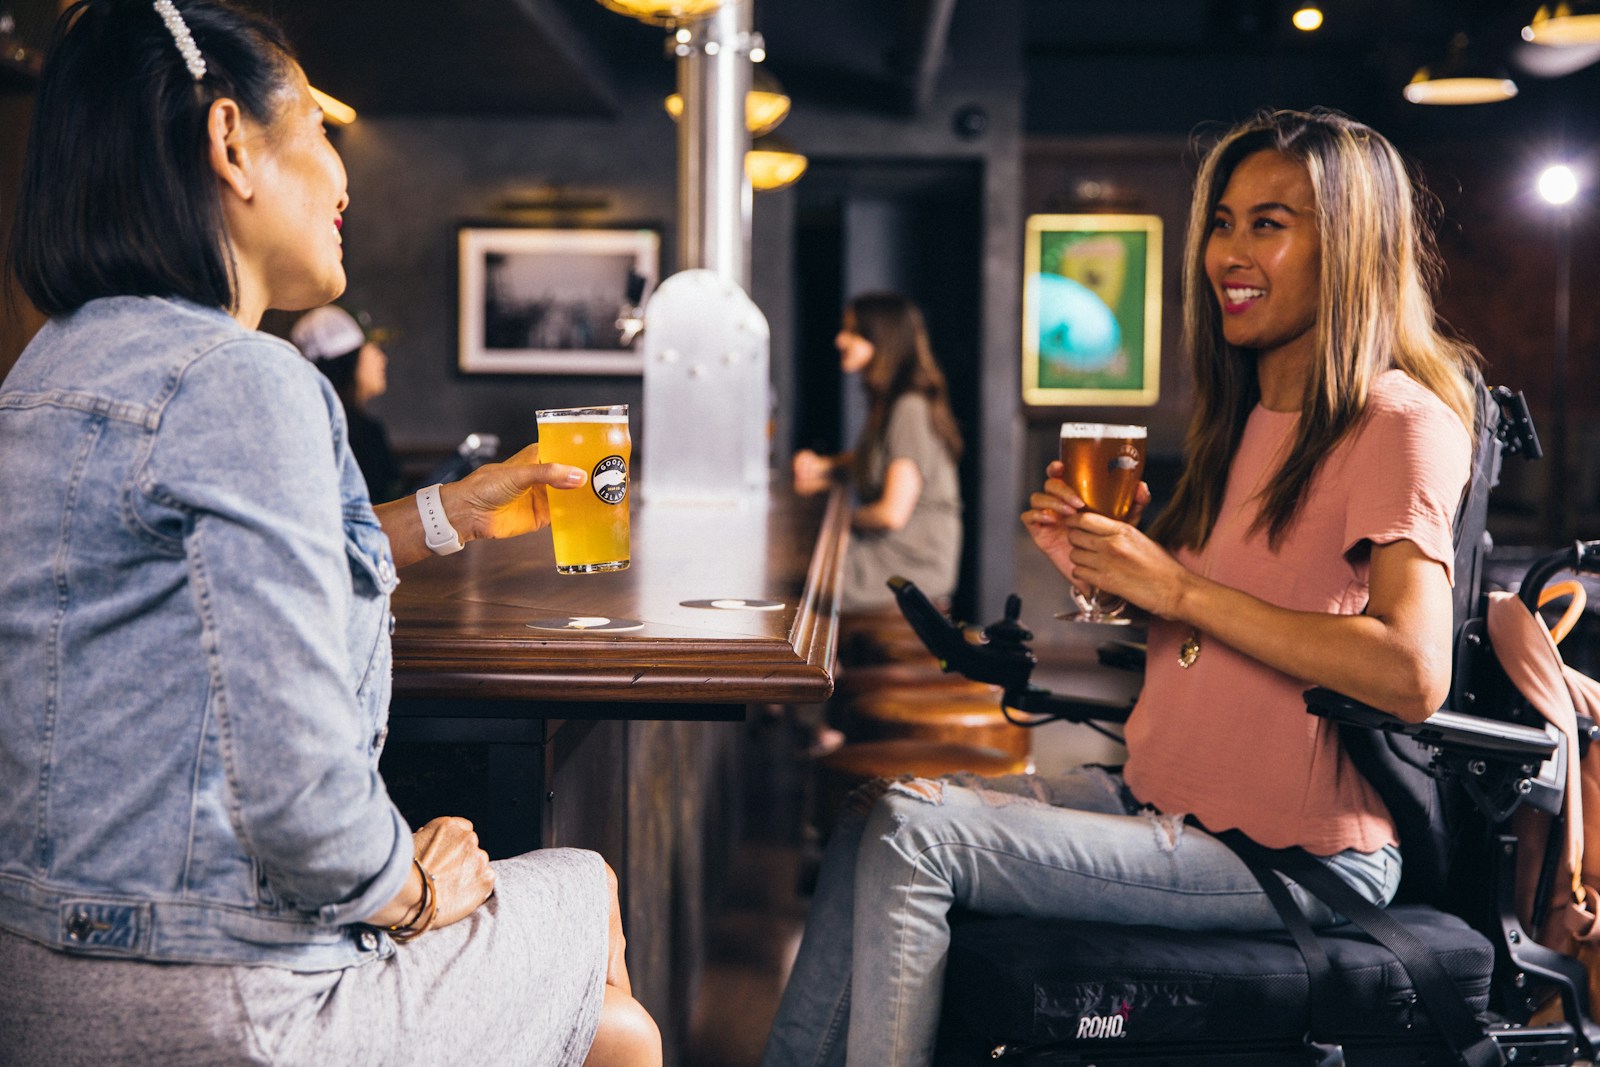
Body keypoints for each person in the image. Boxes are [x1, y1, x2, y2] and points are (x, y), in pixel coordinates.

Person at [0, 3, 660, 1065]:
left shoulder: (46, 374)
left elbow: (188, 578)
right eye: (316, 129)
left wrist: (448, 512)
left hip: (35, 977)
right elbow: (303, 798)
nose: (344, 178)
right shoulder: (245, 378)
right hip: (222, 999)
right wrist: (413, 890)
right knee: (592, 914)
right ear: (230, 145)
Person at [761, 107, 1480, 1067]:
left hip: (1292, 855)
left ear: (1353, 244)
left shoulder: (1398, 421)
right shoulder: (1255, 413)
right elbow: (1227, 629)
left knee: (912, 833)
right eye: (1223, 222)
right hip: (1162, 797)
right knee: (869, 816)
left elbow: (1411, 671)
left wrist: (1177, 592)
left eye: (1270, 223)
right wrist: (1115, 573)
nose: (1230, 250)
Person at [792, 292, 964, 614]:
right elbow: (874, 459)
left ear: (882, 340)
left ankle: (808, 664)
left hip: (910, 565)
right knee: (800, 567)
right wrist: (824, 464)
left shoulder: (909, 407)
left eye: (853, 332)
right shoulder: (892, 403)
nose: (839, 340)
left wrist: (833, 526)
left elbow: (890, 513)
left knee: (796, 577)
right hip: (894, 555)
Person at [291, 303, 404, 502]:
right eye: (372, 348)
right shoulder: (360, 434)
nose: (382, 358)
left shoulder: (303, 421)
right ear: (349, 359)